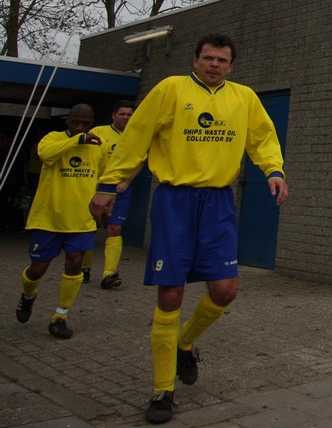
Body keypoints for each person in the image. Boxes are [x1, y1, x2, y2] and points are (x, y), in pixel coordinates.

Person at [90, 33, 288, 425]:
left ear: (231, 66)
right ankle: (162, 390)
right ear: (195, 60)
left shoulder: (245, 98)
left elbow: (262, 138)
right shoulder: (170, 90)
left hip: (218, 203)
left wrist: (273, 170)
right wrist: (108, 184)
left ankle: (185, 343)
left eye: (222, 60)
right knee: (170, 294)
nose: (215, 65)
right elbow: (136, 137)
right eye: (209, 58)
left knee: (225, 290)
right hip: (175, 201)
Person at [15, 104, 106, 339]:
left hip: (81, 220)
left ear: (92, 123)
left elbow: (106, 175)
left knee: (74, 264)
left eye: (85, 124)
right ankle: (28, 295)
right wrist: (78, 140)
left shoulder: (99, 145)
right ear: (67, 121)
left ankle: (60, 317)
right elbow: (46, 155)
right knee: (37, 269)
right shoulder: (53, 139)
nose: (80, 127)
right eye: (75, 122)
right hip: (49, 219)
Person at [86, 100, 144, 290]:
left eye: (129, 114)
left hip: (120, 190)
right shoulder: (98, 132)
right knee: (89, 227)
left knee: (115, 228)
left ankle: (109, 274)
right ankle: (84, 267)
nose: (125, 117)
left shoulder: (136, 136)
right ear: (113, 115)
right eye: (122, 114)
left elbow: (139, 162)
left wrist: (126, 182)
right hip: (96, 188)